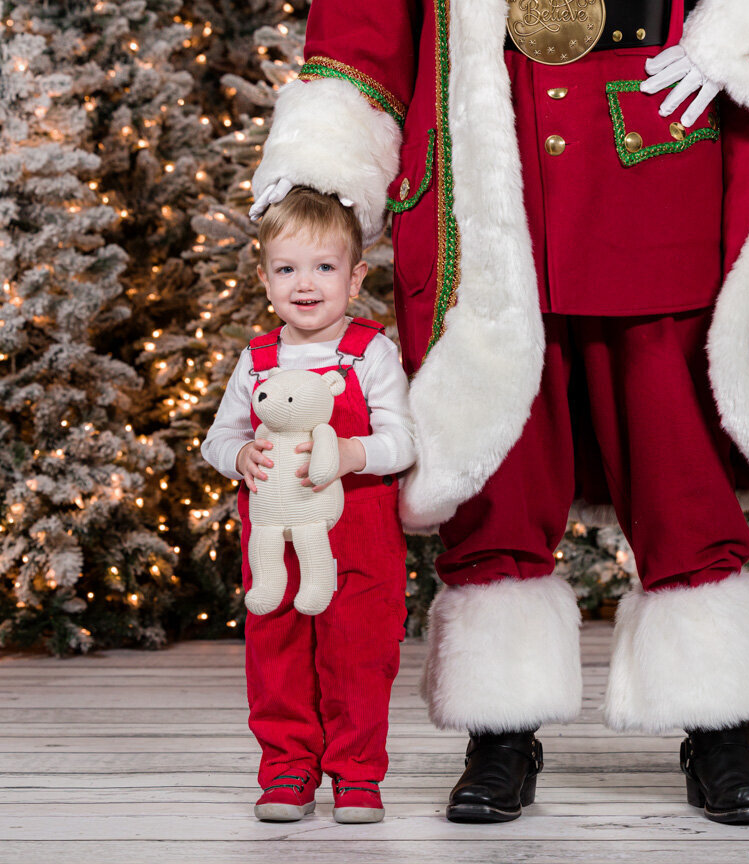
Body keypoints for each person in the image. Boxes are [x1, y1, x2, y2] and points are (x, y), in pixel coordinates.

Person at [249, 0, 749, 825]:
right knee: (497, 456)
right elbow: (363, 26)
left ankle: (721, 727)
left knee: (679, 449)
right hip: (489, 150)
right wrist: (321, 169)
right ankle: (501, 731)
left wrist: (746, 41)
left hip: (665, 144)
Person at [201, 188, 417, 824]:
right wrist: (239, 458)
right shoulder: (257, 360)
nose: (305, 284)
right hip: (276, 541)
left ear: (355, 279)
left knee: (359, 653)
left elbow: (402, 440)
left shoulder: (371, 352)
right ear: (265, 278)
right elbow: (220, 437)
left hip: (361, 537)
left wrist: (353, 454)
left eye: (324, 268)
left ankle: (355, 773)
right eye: (288, 268)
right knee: (279, 650)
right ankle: (288, 766)